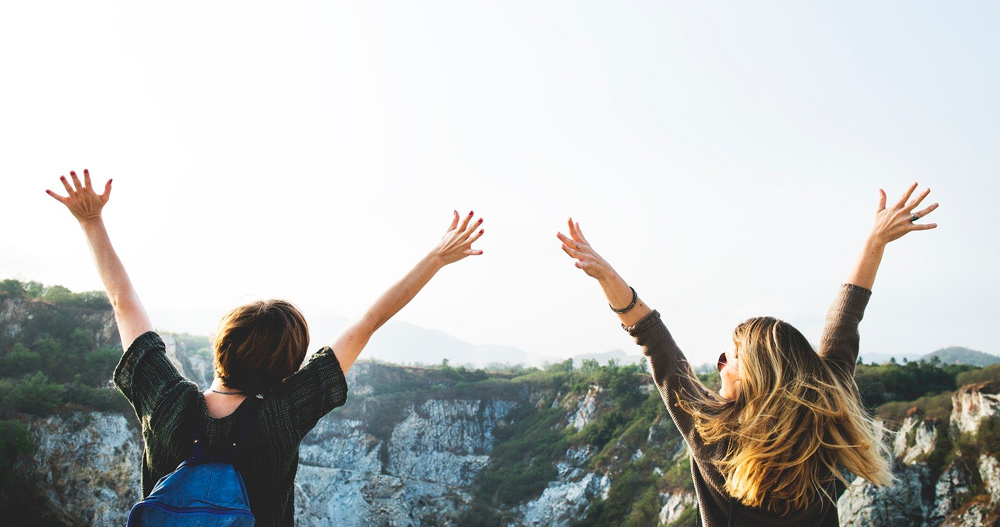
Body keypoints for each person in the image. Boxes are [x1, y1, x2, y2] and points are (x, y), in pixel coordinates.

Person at [46, 170, 485, 527]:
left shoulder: (166, 402)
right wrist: (436, 258)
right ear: (290, 366)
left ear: (221, 345)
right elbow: (368, 323)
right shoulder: (283, 412)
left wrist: (91, 222)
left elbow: (124, 303)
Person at [556, 184, 938, 526]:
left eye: (729, 358)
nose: (720, 364)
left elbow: (656, 344)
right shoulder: (824, 424)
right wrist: (875, 242)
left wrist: (607, 277)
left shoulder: (714, 437)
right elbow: (846, 318)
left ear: (753, 377)